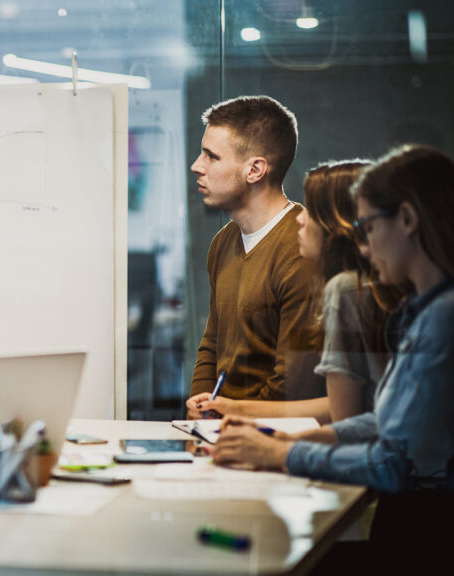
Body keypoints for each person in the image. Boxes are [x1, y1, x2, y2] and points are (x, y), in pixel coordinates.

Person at [213, 145, 454, 557]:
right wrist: (300, 440)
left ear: (408, 220)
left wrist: (283, 453)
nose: (364, 245)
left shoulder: (441, 318)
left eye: (370, 226)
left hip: (428, 524)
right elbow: (383, 422)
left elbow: (390, 462)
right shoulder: (425, 310)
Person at [187, 160, 401, 423]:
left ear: (339, 225)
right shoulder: (222, 243)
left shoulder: (345, 291)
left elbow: (346, 420)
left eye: (312, 210)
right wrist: (230, 411)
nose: (299, 217)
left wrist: (258, 438)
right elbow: (343, 409)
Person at [187, 95, 323, 415]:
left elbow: (293, 385)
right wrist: (200, 405)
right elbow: (212, 345)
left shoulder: (302, 249)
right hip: (220, 429)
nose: (197, 165)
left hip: (272, 438)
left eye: (211, 156)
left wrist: (229, 417)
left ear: (255, 169)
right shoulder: (223, 242)